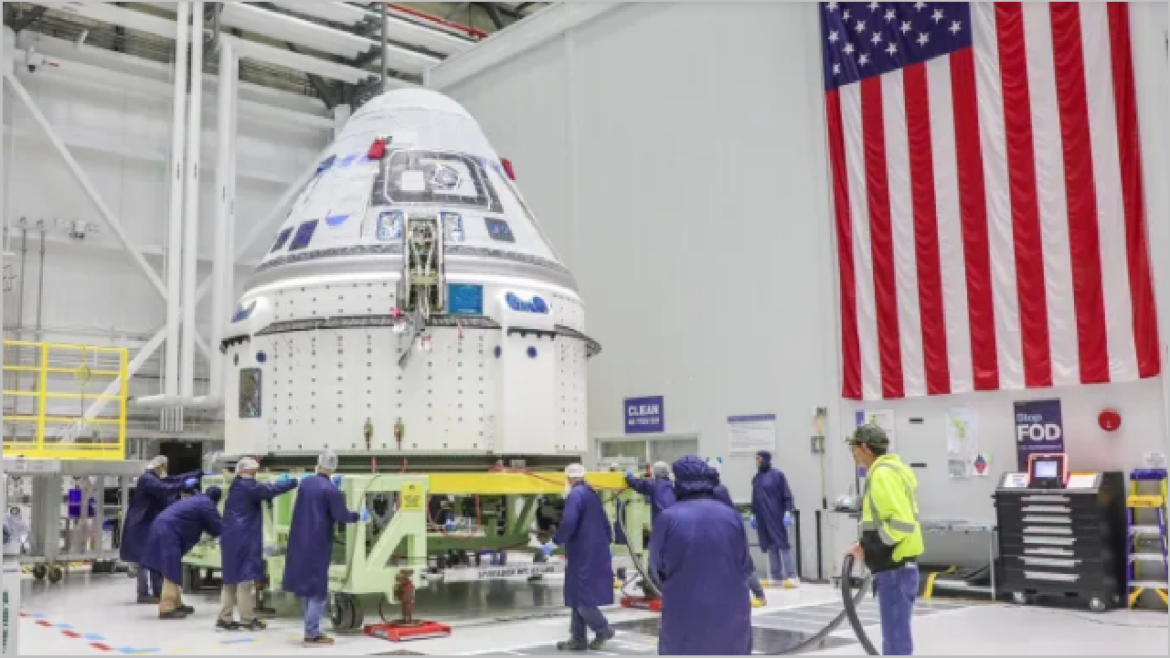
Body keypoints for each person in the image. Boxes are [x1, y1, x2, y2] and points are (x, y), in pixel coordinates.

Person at [650, 456, 753, 655]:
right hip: (731, 606)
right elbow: (744, 560)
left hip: (684, 604)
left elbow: (656, 565)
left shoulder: (668, 518)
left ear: (678, 482)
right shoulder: (732, 515)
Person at [845, 424, 923, 656]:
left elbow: (901, 523)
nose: (853, 453)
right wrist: (863, 545)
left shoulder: (882, 475)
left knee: (896, 640)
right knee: (895, 635)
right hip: (898, 566)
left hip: (895, 568)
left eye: (854, 447)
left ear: (866, 448)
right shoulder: (892, 470)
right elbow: (886, 519)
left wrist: (875, 546)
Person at [282, 451, 367, 648]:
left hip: (299, 541)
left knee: (305, 587)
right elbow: (341, 515)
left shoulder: (306, 483)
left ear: (317, 464)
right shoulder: (331, 491)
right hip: (317, 544)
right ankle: (311, 635)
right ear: (334, 468)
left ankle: (310, 629)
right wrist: (359, 516)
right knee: (318, 591)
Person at [218, 458, 298, 632]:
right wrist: (294, 481)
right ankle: (247, 620)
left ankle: (224, 618)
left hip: (231, 537)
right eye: (254, 471)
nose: (255, 474)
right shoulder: (249, 487)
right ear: (246, 472)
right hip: (243, 538)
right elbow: (270, 490)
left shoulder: (237, 485)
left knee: (230, 580)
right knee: (244, 580)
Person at [541, 464, 615, 652]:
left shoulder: (575, 495)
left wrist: (555, 541)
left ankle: (603, 629)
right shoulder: (592, 494)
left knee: (583, 599)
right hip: (594, 551)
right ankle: (577, 639)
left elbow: (569, 522)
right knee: (576, 596)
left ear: (568, 479)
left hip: (583, 553)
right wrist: (607, 543)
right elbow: (605, 522)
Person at [120, 456, 201, 604]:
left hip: (149, 523)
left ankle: (157, 591)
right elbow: (164, 488)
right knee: (143, 560)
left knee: (153, 556)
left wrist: (197, 473)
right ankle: (143, 593)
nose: (166, 470)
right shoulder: (147, 479)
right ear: (161, 466)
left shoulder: (154, 477)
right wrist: (184, 485)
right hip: (140, 524)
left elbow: (172, 480)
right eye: (165, 467)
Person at [140, 486, 224, 619]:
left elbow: (208, 525)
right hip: (168, 532)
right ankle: (167, 608)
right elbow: (217, 526)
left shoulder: (197, 500)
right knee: (171, 569)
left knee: (173, 568)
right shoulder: (207, 504)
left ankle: (177, 603)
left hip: (162, 528)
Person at [707, 457, 767, 605]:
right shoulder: (721, 490)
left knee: (742, 565)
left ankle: (758, 595)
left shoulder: (714, 492)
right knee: (743, 564)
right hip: (731, 529)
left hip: (724, 532)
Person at [750, 450, 799, 588]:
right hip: (762, 516)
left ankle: (792, 576)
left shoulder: (777, 475)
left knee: (782, 544)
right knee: (770, 546)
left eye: (759, 458)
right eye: (756, 459)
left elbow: (786, 495)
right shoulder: (757, 478)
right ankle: (776, 576)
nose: (757, 461)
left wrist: (787, 512)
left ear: (765, 459)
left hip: (776, 515)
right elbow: (754, 497)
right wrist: (753, 513)